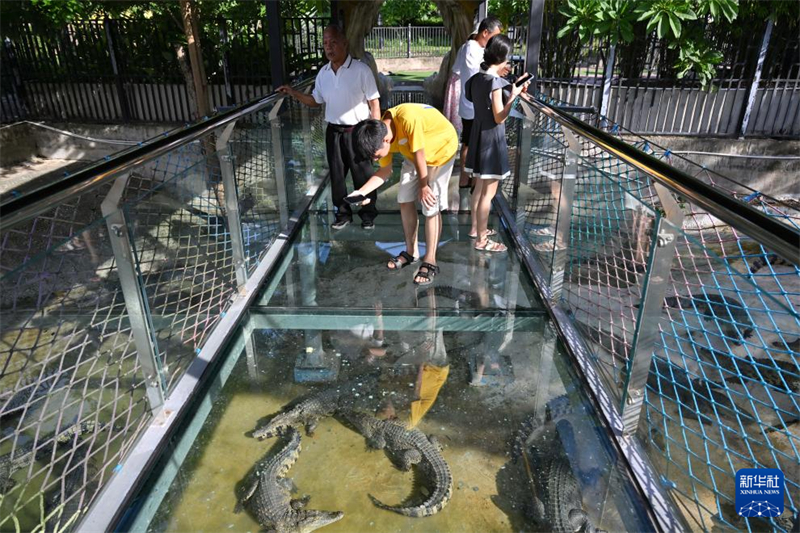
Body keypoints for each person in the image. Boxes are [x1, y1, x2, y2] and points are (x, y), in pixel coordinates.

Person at [277, 23, 380, 230]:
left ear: (344, 43)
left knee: (363, 175)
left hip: (358, 132)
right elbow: (316, 100)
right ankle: (343, 214)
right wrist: (293, 93)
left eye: (333, 42)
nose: (328, 47)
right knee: (337, 176)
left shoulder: (361, 70)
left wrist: (376, 138)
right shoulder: (323, 73)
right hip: (333, 131)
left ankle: (367, 213)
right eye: (325, 43)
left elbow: (374, 102)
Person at [348, 103, 458, 286]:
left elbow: (420, 154)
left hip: (441, 150)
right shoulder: (379, 135)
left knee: (430, 205)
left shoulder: (407, 119)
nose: (375, 160)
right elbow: (385, 171)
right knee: (404, 198)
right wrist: (361, 192)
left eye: (376, 156)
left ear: (386, 141)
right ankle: (411, 251)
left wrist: (425, 186)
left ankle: (430, 259)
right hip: (414, 154)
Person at [464, 34, 530, 253]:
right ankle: (482, 240)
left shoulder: (475, 79)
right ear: (503, 58)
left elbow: (476, 100)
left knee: (479, 188)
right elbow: (500, 116)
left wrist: (507, 88)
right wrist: (513, 96)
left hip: (477, 135)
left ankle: (476, 229)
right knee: (488, 194)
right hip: (492, 140)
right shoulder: (494, 83)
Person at [455, 17, 502, 191]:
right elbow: (478, 74)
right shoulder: (472, 49)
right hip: (473, 106)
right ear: (485, 33)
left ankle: (466, 179)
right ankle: (471, 180)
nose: (495, 41)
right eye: (494, 37)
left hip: (471, 105)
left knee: (468, 142)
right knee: (471, 143)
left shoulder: (472, 48)